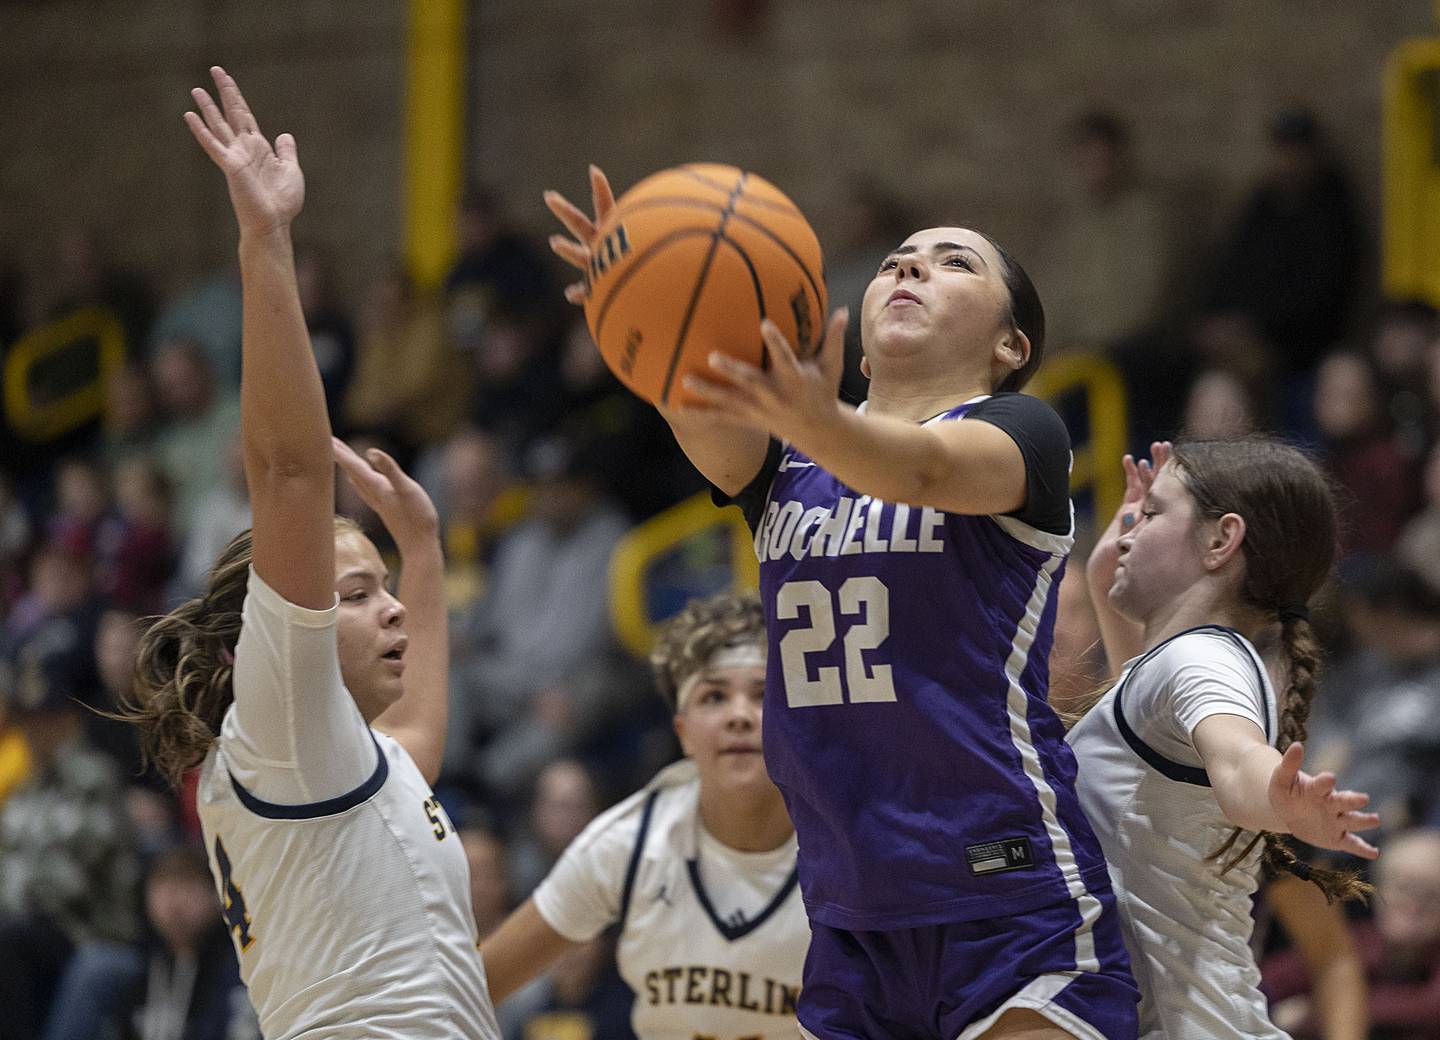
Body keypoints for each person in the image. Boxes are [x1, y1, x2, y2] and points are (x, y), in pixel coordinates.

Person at [546, 169, 1137, 1040]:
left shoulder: (1025, 432)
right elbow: (693, 404)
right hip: (852, 906)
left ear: (1012, 344)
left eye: (951, 263)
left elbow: (922, 470)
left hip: (1007, 891)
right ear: (859, 343)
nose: (909, 270)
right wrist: (645, 290)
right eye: (897, 260)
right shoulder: (787, 467)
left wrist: (814, 416)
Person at [113, 67, 500, 1039]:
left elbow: (419, 730)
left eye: (378, 593)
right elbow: (288, 469)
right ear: (277, 638)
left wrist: (416, 546)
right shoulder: (279, 722)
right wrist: (265, 240)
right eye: (355, 593)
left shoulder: (336, 758)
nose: (393, 610)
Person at [1069, 437, 1381, 1039]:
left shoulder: (1201, 661)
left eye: (1153, 513)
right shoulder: (1185, 662)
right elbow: (1141, 763)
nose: (1132, 527)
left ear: (1221, 539)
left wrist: (1276, 797)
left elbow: (1238, 762)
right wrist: (1110, 579)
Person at [480, 591, 809, 1040]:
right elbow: (473, 985)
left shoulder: (848, 848)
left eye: (762, 694)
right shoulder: (628, 843)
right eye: (714, 696)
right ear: (683, 731)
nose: (739, 716)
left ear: (799, 716)